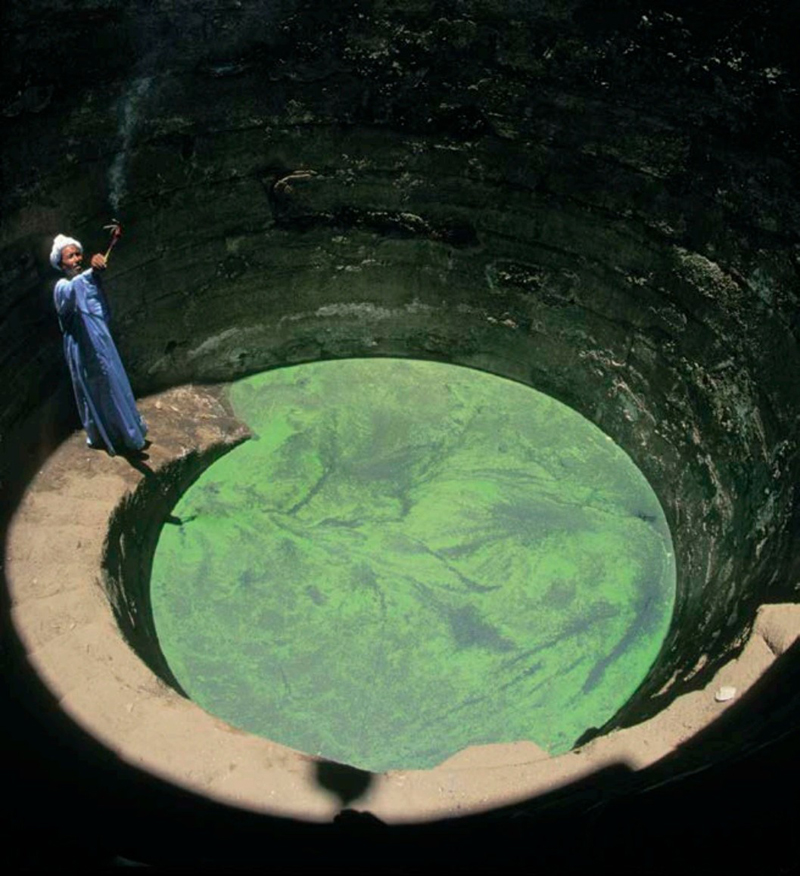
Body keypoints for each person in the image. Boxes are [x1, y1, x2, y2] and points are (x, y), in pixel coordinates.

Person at [51, 233, 147, 456]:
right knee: (96, 390)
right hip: (82, 348)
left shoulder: (88, 279)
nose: (76, 259)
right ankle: (107, 434)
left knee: (115, 384)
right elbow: (71, 292)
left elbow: (98, 307)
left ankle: (129, 432)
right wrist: (92, 270)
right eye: (70, 257)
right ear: (60, 263)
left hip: (101, 343)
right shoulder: (61, 286)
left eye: (78, 254)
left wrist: (97, 267)